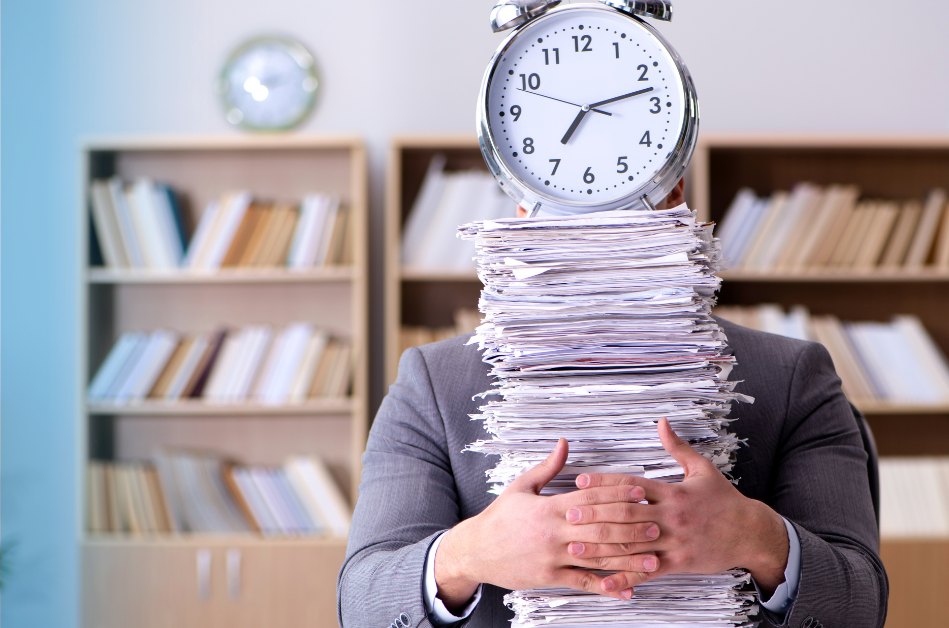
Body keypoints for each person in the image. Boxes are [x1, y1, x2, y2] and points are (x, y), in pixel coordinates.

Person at [337, 179, 888, 628]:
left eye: (620, 199)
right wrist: (467, 555)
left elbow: (860, 605)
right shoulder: (433, 382)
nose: (592, 227)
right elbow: (362, 604)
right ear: (522, 205)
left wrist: (758, 538)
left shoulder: (792, 374)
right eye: (566, 201)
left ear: (673, 200)